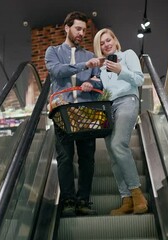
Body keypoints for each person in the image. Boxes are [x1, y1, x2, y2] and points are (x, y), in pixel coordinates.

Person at [45, 11, 104, 217]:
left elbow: (100, 80)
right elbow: (58, 71)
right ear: (67, 28)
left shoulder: (90, 55)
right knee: (64, 157)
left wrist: (92, 81)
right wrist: (83, 67)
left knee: (87, 159)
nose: (81, 33)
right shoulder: (52, 52)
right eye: (78, 28)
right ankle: (69, 199)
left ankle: (84, 200)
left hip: (86, 111)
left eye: (84, 30)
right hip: (62, 112)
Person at [93, 28, 148, 215]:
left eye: (108, 40)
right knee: (113, 155)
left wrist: (121, 70)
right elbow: (108, 92)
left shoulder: (127, 55)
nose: (106, 44)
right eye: (102, 43)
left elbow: (139, 80)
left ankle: (137, 193)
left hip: (127, 101)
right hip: (109, 108)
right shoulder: (101, 70)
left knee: (118, 144)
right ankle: (126, 200)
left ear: (115, 41)